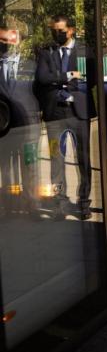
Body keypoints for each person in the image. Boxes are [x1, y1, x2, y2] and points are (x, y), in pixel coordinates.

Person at [35, 15, 95, 219]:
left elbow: (92, 79)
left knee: (83, 159)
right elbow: (42, 78)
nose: (56, 34)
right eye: (53, 30)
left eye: (60, 30)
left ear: (71, 30)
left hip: (79, 113)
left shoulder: (84, 52)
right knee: (56, 159)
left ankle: (84, 202)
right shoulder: (46, 52)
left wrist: (62, 83)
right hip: (55, 113)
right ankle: (59, 201)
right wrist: (68, 77)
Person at [0, 26, 41, 217]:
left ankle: (31, 204)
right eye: (3, 39)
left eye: (11, 39)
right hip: (5, 124)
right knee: (6, 168)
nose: (7, 43)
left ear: (19, 40)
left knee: (29, 165)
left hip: (28, 123)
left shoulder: (32, 64)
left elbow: (40, 90)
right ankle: (10, 207)